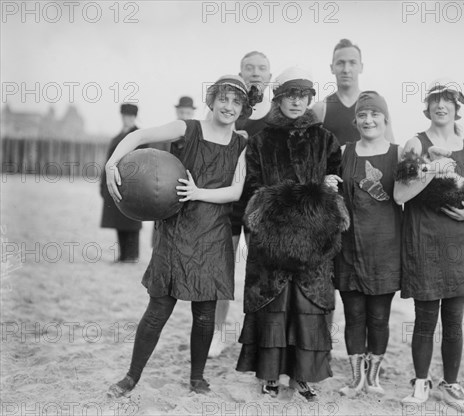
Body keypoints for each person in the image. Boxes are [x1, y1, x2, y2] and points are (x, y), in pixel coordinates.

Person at [105, 75, 253, 397]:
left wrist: (199, 192)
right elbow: (141, 135)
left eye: (236, 102)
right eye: (223, 99)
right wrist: (112, 163)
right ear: (212, 101)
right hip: (176, 230)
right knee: (158, 308)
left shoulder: (242, 145)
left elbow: (236, 191)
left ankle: (196, 378)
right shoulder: (187, 129)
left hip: (214, 233)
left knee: (204, 314)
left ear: (242, 109)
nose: (229, 106)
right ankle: (131, 377)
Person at [394, 80, 464, 410]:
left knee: (455, 319)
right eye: (435, 101)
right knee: (426, 317)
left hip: (458, 243)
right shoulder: (416, 142)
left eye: (449, 101)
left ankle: (451, 384)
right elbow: (401, 194)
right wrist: (430, 170)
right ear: (426, 108)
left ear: (459, 108)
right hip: (423, 238)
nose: (441, 106)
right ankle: (420, 383)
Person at [235, 67, 342, 402]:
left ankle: (303, 376)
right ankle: (269, 374)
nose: (296, 101)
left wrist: (329, 186)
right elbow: (252, 185)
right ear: (278, 98)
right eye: (290, 95)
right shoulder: (261, 140)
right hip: (273, 238)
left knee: (307, 307)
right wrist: (272, 214)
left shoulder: (324, 138)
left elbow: (336, 175)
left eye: (303, 95)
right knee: (274, 304)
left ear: (310, 98)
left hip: (314, 239)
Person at [335, 91, 401, 397]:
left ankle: (374, 377)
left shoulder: (399, 154)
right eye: (362, 115)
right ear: (355, 121)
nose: (368, 120)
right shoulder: (344, 151)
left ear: (385, 119)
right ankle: (356, 378)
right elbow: (331, 193)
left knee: (379, 317)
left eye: (374, 114)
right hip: (349, 247)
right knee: (353, 316)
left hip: (385, 248)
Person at [209, 51, 273, 358]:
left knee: (262, 271)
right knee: (223, 266)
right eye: (249, 68)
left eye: (262, 68)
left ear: (270, 76)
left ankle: (259, 335)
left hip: (263, 203)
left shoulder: (277, 112)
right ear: (240, 73)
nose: (255, 73)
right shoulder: (230, 108)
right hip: (229, 199)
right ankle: (218, 333)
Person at [312, 39, 394, 145]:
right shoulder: (321, 109)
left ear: (361, 67)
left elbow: (390, 147)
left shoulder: (377, 105)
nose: (346, 69)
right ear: (332, 68)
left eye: (352, 63)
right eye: (340, 63)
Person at [150, 96, 197, 249]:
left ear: (192, 114)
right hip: (165, 190)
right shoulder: (166, 136)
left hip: (189, 191)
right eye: (182, 113)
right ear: (177, 113)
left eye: (188, 113)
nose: (184, 117)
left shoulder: (197, 139)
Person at [100, 103, 143, 263]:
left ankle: (132, 255)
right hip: (115, 183)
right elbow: (108, 163)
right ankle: (123, 254)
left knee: (132, 220)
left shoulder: (140, 137)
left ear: (134, 117)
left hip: (132, 185)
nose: (127, 119)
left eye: (130, 116)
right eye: (125, 116)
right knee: (119, 220)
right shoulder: (116, 138)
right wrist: (103, 185)